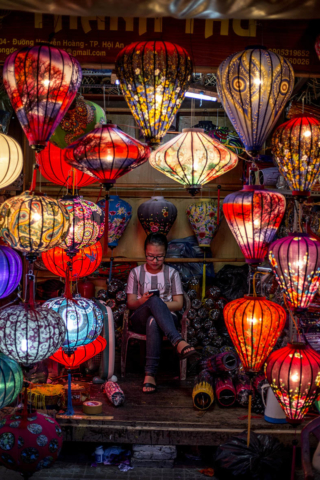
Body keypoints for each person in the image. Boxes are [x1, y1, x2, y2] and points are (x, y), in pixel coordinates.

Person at [126, 232, 199, 394]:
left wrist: (158, 304)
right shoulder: (135, 273)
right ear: (145, 252)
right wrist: (145, 301)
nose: (154, 261)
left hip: (166, 319)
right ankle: (178, 342)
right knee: (152, 302)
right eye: (150, 256)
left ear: (165, 254)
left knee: (154, 319)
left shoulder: (172, 274)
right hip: (139, 316)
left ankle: (150, 375)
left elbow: (179, 304)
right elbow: (131, 303)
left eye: (159, 257)